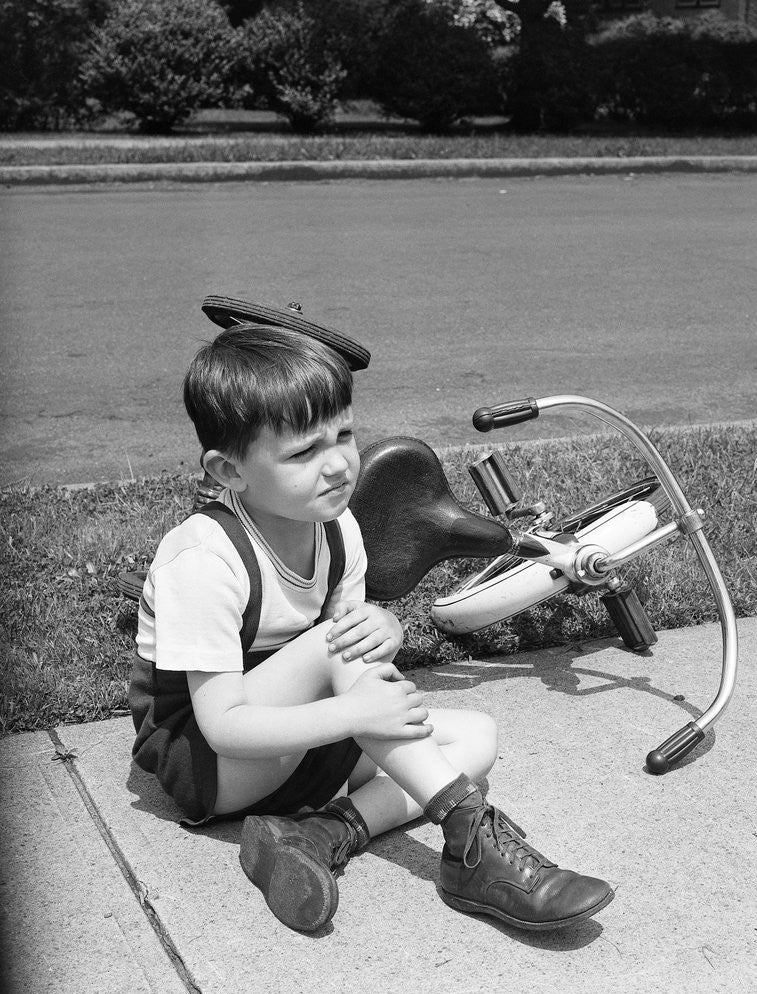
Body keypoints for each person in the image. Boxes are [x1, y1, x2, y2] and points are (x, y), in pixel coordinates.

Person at [129, 323, 614, 934]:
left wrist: (386, 626)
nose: (337, 464)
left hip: (299, 743)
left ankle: (317, 834)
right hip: (210, 763)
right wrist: (355, 715)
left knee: (476, 740)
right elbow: (223, 727)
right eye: (304, 452)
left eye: (345, 435)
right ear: (229, 470)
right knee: (341, 649)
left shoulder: (338, 529)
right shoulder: (203, 557)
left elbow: (348, 655)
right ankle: (469, 838)